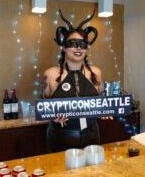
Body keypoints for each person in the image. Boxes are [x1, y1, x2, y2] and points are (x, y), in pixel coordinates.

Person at [41, 9, 105, 152]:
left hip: (92, 136)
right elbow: (42, 107)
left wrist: (105, 111)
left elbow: (101, 102)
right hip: (61, 137)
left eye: (82, 44)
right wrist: (52, 117)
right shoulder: (50, 74)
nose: (78, 48)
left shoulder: (96, 73)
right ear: (63, 47)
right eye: (73, 43)